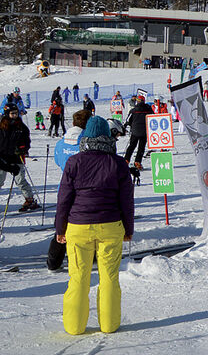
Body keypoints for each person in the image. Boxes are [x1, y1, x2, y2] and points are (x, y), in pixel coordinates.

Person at [55, 116, 134, 335]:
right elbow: (126, 201)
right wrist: (128, 228)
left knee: (78, 277)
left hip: (78, 226)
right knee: (109, 277)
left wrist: (60, 229)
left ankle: (74, 326)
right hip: (111, 226)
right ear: (108, 137)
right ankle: (109, 325)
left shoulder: (74, 162)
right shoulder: (118, 164)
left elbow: (64, 200)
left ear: (85, 137)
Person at [47, 109, 92, 272]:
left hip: (64, 187)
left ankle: (53, 261)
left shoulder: (61, 142)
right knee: (85, 222)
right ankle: (89, 256)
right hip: (83, 189)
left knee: (62, 223)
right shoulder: (86, 141)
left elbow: (58, 160)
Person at [0, 104, 40, 212]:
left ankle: (30, 200)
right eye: (12, 113)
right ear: (7, 114)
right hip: (2, 158)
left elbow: (27, 141)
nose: (14, 115)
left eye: (16, 113)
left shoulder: (21, 127)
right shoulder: (1, 125)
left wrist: (23, 148)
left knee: (20, 180)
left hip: (17, 157)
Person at [122, 96, 153, 171]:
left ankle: (126, 160)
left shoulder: (133, 110)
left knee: (131, 146)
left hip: (135, 131)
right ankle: (137, 162)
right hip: (144, 131)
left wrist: (127, 126)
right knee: (141, 148)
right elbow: (153, 118)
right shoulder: (148, 109)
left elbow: (128, 120)